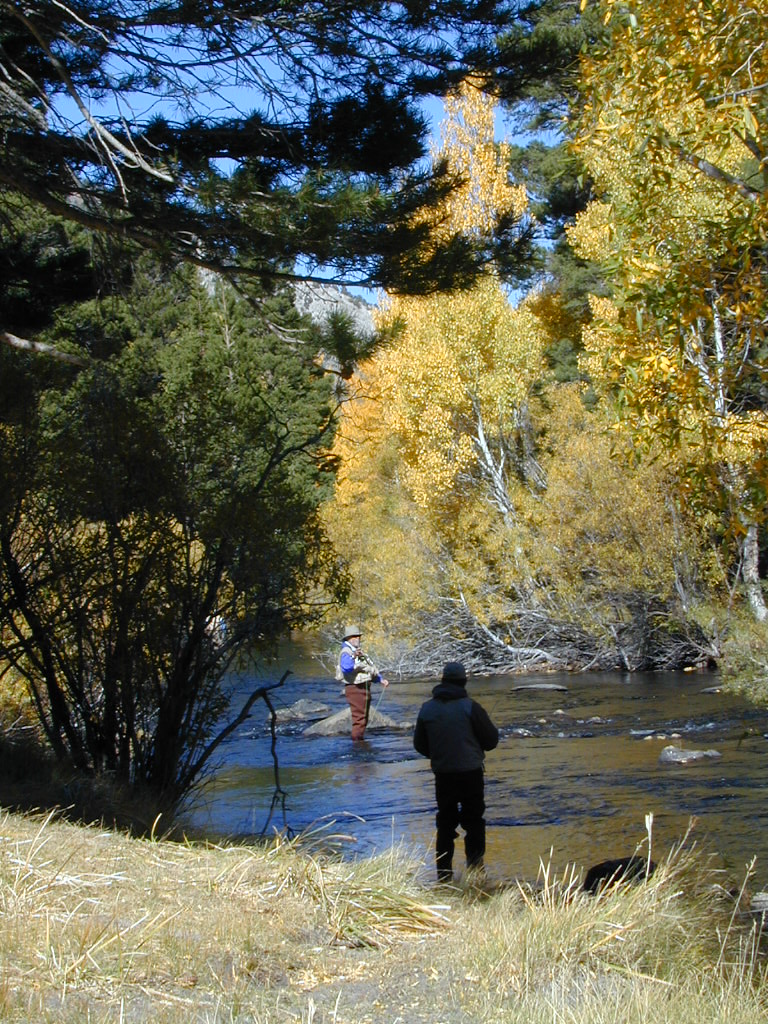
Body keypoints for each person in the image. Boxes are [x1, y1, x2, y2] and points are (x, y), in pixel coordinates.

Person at [413, 661, 499, 882]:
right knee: (474, 823)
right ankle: (475, 872)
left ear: (442, 680)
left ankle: (443, 877)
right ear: (463, 682)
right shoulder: (471, 707)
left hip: (443, 775)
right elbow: (491, 741)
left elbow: (419, 745)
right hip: (471, 773)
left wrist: (440, 756)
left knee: (445, 824)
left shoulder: (427, 709)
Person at [337, 626, 389, 741]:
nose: (358, 638)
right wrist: (354, 656)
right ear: (349, 638)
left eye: (359, 636)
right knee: (359, 720)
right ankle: (357, 747)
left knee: (363, 718)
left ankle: (359, 745)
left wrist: (380, 680)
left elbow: (368, 669)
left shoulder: (358, 651)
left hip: (363, 688)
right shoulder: (347, 652)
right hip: (355, 688)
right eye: (355, 636)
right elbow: (346, 668)